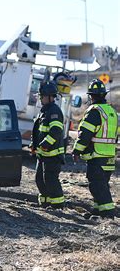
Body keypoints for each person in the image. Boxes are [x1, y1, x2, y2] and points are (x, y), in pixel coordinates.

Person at [72, 79, 117, 218]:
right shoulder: (111, 112)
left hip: (97, 156)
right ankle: (99, 210)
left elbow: (85, 134)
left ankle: (108, 213)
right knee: (102, 184)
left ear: (91, 96)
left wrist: (76, 150)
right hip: (109, 157)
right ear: (104, 95)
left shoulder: (94, 112)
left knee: (96, 185)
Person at [30, 81, 65, 209]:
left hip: (52, 154)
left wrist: (45, 144)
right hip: (43, 154)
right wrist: (34, 145)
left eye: (42, 96)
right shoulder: (44, 111)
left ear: (50, 97)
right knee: (40, 179)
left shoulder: (54, 111)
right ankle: (45, 203)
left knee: (50, 180)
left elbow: (56, 131)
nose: (40, 98)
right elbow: (38, 130)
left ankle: (58, 206)